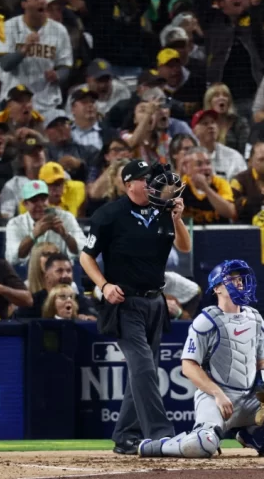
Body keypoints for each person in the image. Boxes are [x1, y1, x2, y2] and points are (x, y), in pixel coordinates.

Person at [137, 260, 264, 459]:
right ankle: (157, 446)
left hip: (251, 397)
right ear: (217, 287)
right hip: (216, 399)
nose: (240, 283)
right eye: (232, 279)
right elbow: (188, 366)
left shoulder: (255, 318)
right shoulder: (206, 320)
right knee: (201, 444)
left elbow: (262, 362)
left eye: (241, 278)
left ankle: (255, 435)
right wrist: (217, 394)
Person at [79, 159, 191, 455]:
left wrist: (178, 219)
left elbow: (185, 247)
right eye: (144, 179)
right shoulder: (109, 214)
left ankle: (126, 435)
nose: (151, 184)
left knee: (146, 370)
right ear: (129, 184)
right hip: (124, 302)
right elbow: (86, 256)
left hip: (156, 301)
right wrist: (103, 286)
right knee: (143, 367)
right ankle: (161, 434)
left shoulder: (164, 211)